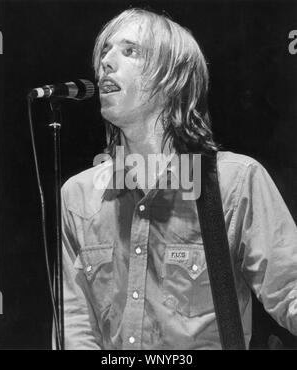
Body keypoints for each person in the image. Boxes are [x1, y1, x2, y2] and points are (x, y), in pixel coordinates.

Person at [60, 8, 297, 350]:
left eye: (130, 51)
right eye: (106, 51)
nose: (106, 63)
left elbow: (289, 288)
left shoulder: (233, 181)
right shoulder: (79, 195)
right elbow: (76, 325)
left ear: (172, 78)